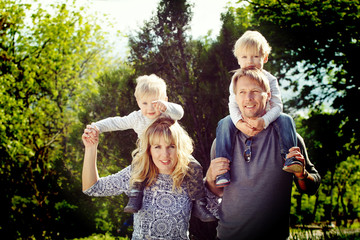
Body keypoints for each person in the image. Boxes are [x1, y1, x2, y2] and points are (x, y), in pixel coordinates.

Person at [205, 68, 321, 240]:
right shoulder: (221, 142)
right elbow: (217, 193)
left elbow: (312, 187)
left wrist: (301, 174)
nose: (248, 98)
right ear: (235, 98)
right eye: (242, 92)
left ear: (267, 95)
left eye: (255, 92)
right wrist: (210, 177)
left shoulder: (289, 138)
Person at [86, 74, 215, 222]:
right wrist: (97, 126)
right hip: (147, 155)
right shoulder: (137, 117)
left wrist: (167, 107)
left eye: (155, 103)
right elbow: (116, 122)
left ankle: (199, 203)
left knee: (195, 167)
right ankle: (135, 195)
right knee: (137, 164)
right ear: (138, 102)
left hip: (174, 153)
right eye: (145, 103)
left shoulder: (167, 112)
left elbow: (180, 112)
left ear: (164, 100)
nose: (150, 108)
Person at [82, 117, 213, 239]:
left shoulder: (191, 178)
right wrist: (90, 148)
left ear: (179, 148)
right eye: (157, 147)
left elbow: (219, 212)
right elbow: (92, 188)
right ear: (149, 149)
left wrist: (213, 179)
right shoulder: (138, 174)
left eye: (171, 146)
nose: (165, 154)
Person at [215, 30, 301, 187]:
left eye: (255, 56)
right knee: (224, 123)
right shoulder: (236, 79)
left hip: (266, 117)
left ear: (265, 58)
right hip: (243, 117)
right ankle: (222, 169)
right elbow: (233, 106)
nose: (250, 61)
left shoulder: (270, 79)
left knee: (286, 119)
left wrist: (264, 121)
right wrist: (240, 123)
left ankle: (290, 158)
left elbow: (277, 106)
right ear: (238, 59)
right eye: (245, 57)